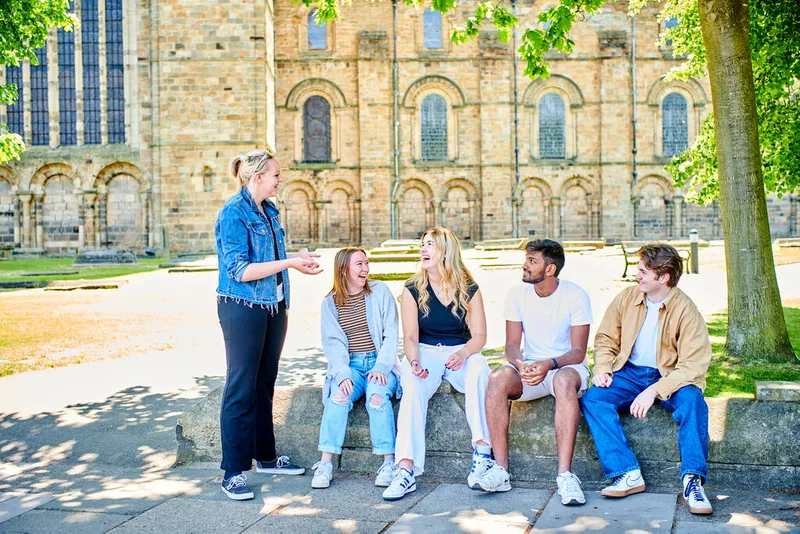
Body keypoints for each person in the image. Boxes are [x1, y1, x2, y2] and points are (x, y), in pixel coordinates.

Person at [215, 147, 323, 501]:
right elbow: (240, 271)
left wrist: (297, 262)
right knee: (241, 386)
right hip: (242, 307)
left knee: (264, 384)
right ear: (258, 177)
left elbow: (273, 262)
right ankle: (232, 471)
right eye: (276, 174)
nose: (281, 180)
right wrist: (291, 262)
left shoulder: (270, 210)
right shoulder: (233, 213)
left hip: (274, 305)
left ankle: (266, 457)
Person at [580, 243, 713, 515]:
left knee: (694, 402)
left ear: (663, 277)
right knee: (594, 399)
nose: (637, 275)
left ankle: (693, 481)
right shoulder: (627, 297)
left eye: (643, 271)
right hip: (627, 372)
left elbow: (692, 366)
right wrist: (604, 368)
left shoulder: (686, 310)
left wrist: (653, 390)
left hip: (670, 376)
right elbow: (606, 338)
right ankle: (627, 473)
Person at [476, 239, 592, 506]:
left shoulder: (576, 295)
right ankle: (501, 470)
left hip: (565, 367)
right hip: (531, 369)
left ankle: (565, 476)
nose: (525, 265)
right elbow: (511, 346)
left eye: (532, 261)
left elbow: (578, 351)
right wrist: (520, 365)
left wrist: (549, 364)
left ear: (549, 269)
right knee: (496, 379)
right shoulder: (517, 294)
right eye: (526, 259)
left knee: (563, 381)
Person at [382, 227, 492, 501]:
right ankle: (405, 469)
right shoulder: (411, 289)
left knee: (479, 369)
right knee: (413, 385)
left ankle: (482, 454)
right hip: (425, 352)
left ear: (446, 250)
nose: (423, 249)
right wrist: (414, 361)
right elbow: (409, 336)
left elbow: (480, 336)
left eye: (430, 244)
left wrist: (464, 353)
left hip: (460, 351)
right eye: (422, 244)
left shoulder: (469, 288)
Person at [311, 247, 401, 489]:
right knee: (338, 396)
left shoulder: (380, 292)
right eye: (359, 264)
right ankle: (326, 462)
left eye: (366, 263)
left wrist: (382, 366)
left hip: (379, 362)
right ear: (344, 270)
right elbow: (332, 343)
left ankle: (389, 461)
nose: (366, 269)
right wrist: (341, 374)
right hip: (351, 365)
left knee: (376, 396)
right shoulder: (330, 304)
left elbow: (391, 335)